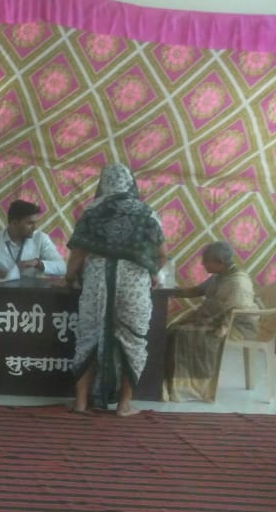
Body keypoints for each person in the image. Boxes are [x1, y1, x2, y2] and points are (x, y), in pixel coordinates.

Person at [65, 164, 166, 416]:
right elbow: (161, 254)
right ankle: (123, 405)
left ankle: (80, 403)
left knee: (89, 336)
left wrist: (68, 278)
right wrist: (153, 271)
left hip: (97, 280)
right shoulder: (147, 213)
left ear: (103, 183)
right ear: (131, 184)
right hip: (133, 284)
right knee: (133, 340)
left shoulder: (92, 211)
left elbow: (78, 253)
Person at [164, 241, 261, 403]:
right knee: (174, 329)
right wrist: (170, 292)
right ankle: (170, 383)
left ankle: (192, 388)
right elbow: (197, 290)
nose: (203, 264)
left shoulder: (238, 281)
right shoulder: (219, 277)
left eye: (206, 261)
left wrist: (213, 324)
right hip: (217, 319)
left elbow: (237, 311)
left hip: (235, 325)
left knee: (183, 334)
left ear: (220, 262)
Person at [0, 199, 66, 279]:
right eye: (30, 223)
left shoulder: (41, 238)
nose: (35, 227)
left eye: (36, 223)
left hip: (29, 291)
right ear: (14, 223)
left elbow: (62, 268)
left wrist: (38, 263)